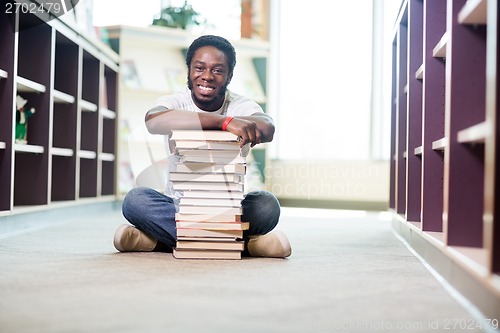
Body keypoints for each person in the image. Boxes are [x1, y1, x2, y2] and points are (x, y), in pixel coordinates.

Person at [113, 35, 291, 258]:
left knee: (267, 205)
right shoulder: (177, 101)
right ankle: (246, 245)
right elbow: (153, 120)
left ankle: (157, 242)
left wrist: (237, 119)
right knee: (135, 200)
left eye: (217, 70)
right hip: (178, 208)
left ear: (229, 76)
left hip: (228, 209)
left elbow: (267, 128)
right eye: (199, 68)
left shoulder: (239, 104)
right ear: (189, 70)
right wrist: (224, 122)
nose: (206, 77)